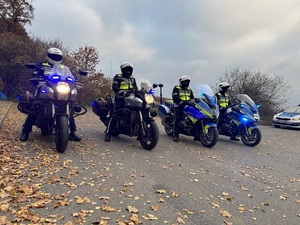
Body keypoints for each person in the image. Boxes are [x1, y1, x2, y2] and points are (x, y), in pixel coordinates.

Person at [20, 47, 81, 142]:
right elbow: (34, 75)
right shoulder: (42, 65)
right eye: (53, 56)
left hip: (59, 90)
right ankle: (25, 131)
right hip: (45, 88)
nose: (55, 58)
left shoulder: (63, 68)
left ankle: (72, 132)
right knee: (35, 107)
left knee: (70, 108)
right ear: (48, 56)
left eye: (57, 57)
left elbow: (70, 77)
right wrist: (36, 80)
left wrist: (75, 80)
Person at [104, 62, 138, 142]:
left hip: (131, 99)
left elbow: (136, 88)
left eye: (129, 70)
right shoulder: (118, 77)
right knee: (116, 115)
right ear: (123, 70)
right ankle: (108, 133)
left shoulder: (132, 78)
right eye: (126, 70)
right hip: (121, 98)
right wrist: (123, 92)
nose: (128, 71)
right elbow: (115, 88)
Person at [172, 75, 195, 142]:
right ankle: (176, 135)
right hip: (179, 106)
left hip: (188, 106)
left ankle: (197, 135)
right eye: (185, 82)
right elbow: (175, 97)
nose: (186, 83)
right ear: (181, 82)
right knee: (177, 119)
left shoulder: (189, 90)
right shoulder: (176, 88)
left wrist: (194, 102)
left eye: (187, 82)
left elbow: (192, 98)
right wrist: (182, 102)